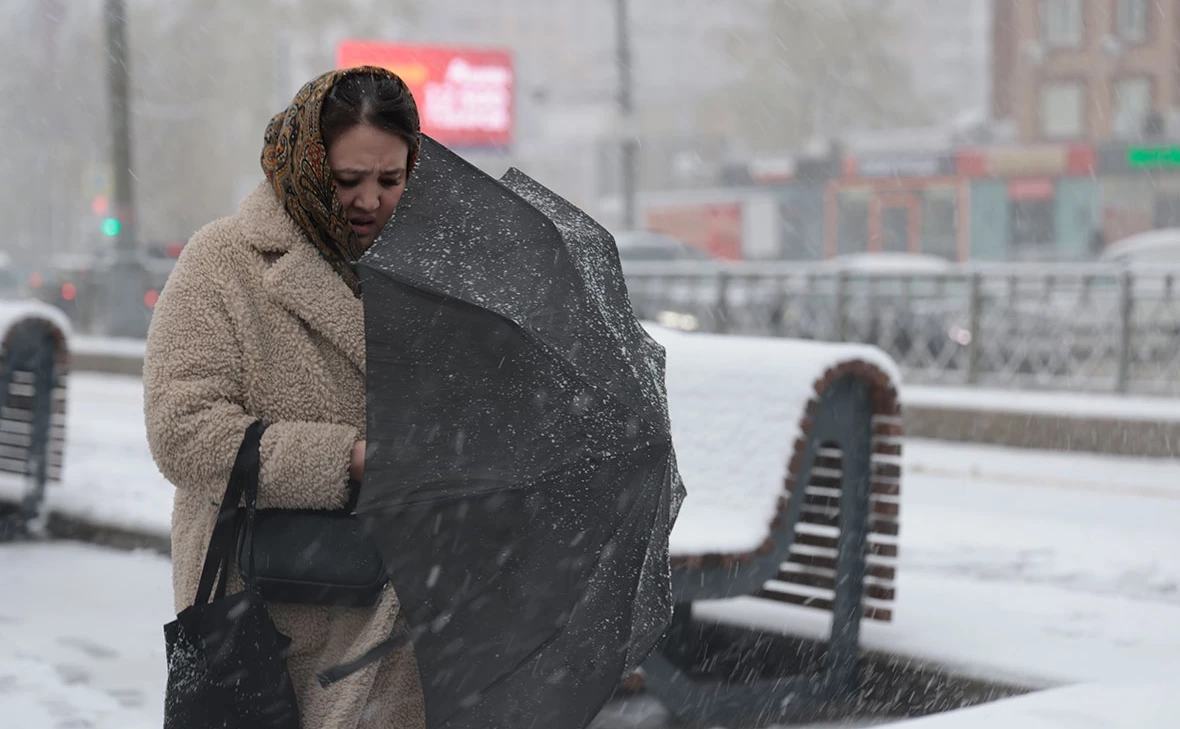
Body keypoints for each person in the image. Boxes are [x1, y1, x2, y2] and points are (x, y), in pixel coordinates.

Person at [144, 67, 425, 729]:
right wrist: (347, 459)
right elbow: (182, 428)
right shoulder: (225, 261)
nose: (369, 201)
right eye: (348, 178)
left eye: (390, 180)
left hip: (405, 623)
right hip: (271, 619)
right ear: (306, 159)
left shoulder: (430, 276)